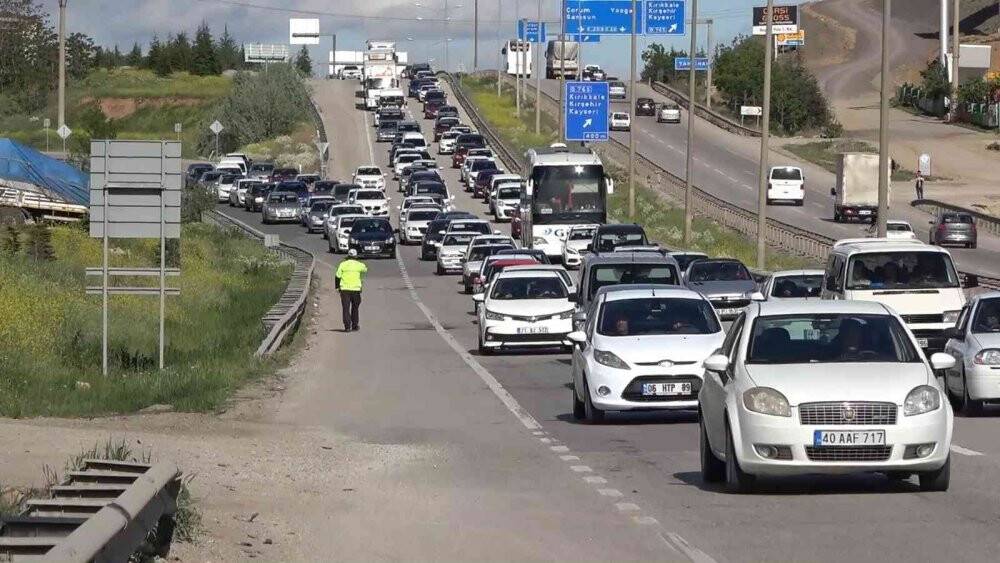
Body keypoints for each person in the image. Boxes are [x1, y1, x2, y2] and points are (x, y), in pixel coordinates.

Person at [335, 249, 368, 332]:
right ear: (356, 256)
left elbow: (337, 276)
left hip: (345, 289)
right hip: (356, 289)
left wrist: (337, 287)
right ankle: (355, 325)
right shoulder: (359, 265)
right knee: (355, 308)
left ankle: (347, 326)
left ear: (348, 256)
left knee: (345, 308)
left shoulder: (342, 264)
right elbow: (365, 270)